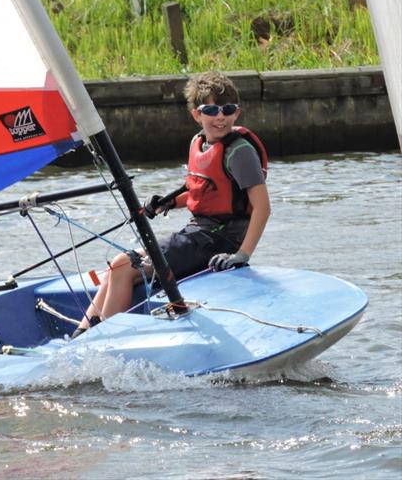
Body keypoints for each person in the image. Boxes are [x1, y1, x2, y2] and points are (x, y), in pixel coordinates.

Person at [72, 71, 270, 337]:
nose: (220, 116)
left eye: (227, 109)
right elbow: (205, 194)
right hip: (197, 234)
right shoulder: (198, 144)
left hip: (219, 242)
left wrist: (240, 256)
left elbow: (262, 208)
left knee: (122, 266)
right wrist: (167, 203)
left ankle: (105, 341)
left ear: (237, 113)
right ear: (197, 115)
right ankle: (82, 335)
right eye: (211, 109)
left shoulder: (240, 152)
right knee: (115, 269)